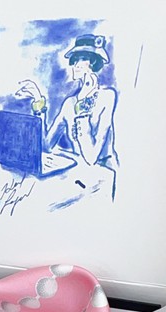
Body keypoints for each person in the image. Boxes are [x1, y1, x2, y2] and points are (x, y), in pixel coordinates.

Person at [17, 34, 119, 193]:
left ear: (93, 63)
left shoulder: (107, 96)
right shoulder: (69, 104)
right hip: (79, 174)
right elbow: (46, 145)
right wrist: (38, 101)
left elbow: (91, 158)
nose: (75, 65)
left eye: (82, 59)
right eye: (74, 60)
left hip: (103, 175)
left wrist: (83, 108)